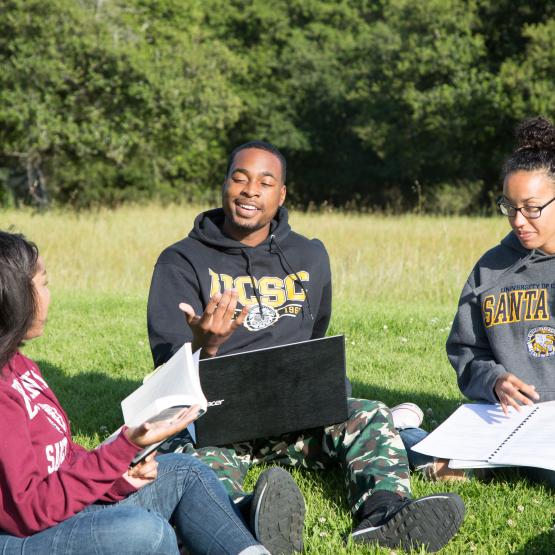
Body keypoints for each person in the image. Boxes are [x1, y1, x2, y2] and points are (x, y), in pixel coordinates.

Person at [147, 140, 465, 552]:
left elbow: (315, 337)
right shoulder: (181, 260)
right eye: (239, 178)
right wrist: (204, 346)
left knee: (370, 416)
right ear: (224, 185)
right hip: (217, 422)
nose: (250, 190)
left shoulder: (309, 255)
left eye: (265, 182)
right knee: (194, 464)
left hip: (296, 415)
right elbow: (168, 368)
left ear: (281, 195)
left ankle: (384, 514)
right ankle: (247, 518)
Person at [0, 230, 284, 555]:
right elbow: (27, 512)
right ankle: (224, 521)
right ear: (14, 296)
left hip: (54, 511)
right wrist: (123, 447)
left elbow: (60, 457)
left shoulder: (20, 366)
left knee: (184, 472)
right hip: (20, 536)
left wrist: (118, 478)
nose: (50, 293)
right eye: (43, 283)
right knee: (147, 533)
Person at [447, 115, 555, 488]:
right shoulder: (490, 269)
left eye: (531, 207)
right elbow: (466, 351)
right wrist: (494, 382)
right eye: (509, 207)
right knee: (430, 455)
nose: (518, 220)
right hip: (509, 421)